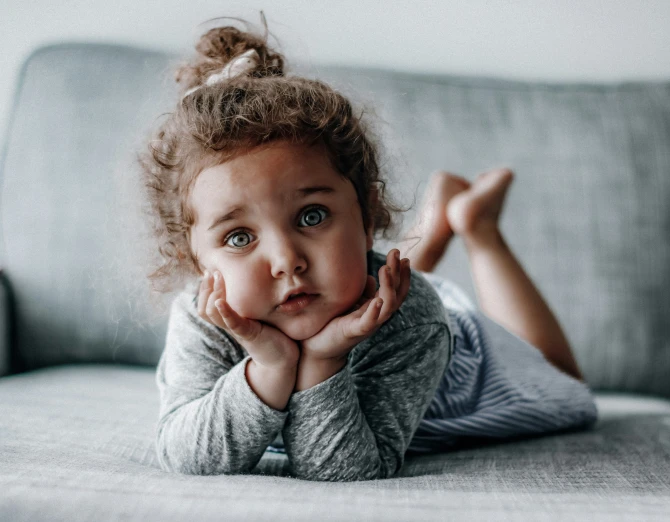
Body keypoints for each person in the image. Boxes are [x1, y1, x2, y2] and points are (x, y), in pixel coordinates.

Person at [141, 16, 597, 482]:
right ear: (194, 260)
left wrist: (322, 360)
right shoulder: (203, 319)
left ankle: (479, 231)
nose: (285, 261)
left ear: (368, 215)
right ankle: (435, 226)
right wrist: (270, 366)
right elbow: (186, 456)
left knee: (566, 384)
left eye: (311, 216)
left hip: (464, 365)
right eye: (239, 238)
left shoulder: (415, 320)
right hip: (368, 293)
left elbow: (345, 468)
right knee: (358, 283)